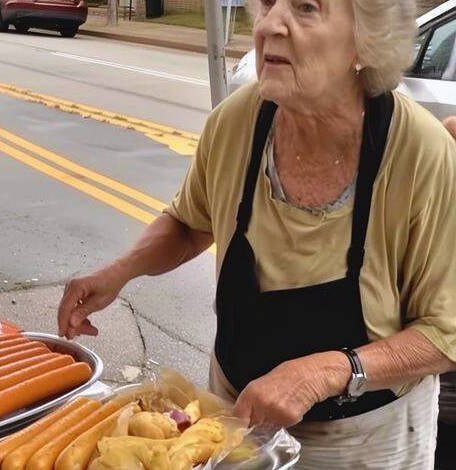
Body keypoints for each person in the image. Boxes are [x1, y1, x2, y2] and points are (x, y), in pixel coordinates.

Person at [57, 0, 456, 468]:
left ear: (365, 42)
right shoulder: (236, 122)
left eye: (306, 8)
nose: (269, 24)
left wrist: (327, 371)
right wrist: (120, 272)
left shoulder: (421, 154)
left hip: (361, 444)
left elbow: (444, 333)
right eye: (267, 3)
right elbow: (190, 223)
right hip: (232, 426)